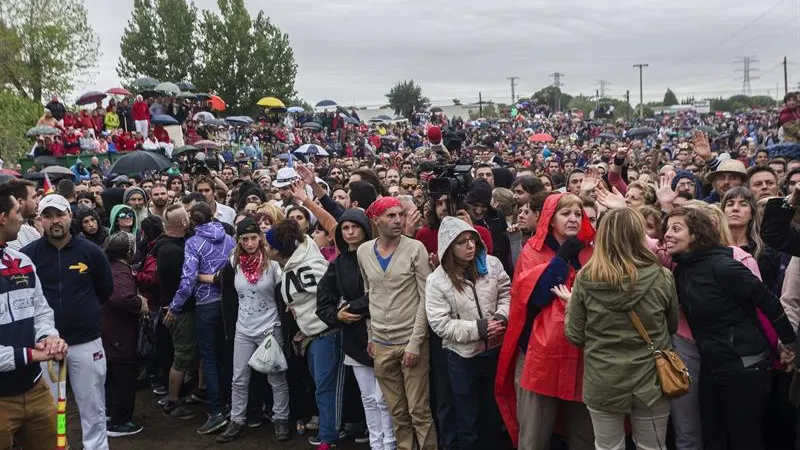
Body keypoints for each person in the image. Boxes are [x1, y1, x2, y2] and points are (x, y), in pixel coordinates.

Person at [663, 207, 796, 450]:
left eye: (676, 228)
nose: (667, 235)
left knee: (744, 438)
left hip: (744, 364)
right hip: (712, 365)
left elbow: (768, 302)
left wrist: (789, 344)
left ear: (696, 234)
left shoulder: (723, 265)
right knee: (713, 436)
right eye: (667, 229)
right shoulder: (681, 270)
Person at [557, 208, 678, 450]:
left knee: (607, 447)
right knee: (653, 447)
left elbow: (575, 335)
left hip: (604, 379)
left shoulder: (585, 279)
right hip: (651, 381)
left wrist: (570, 306)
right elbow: (672, 325)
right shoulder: (662, 277)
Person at [495, 193, 595, 450]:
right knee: (534, 437)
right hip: (539, 356)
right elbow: (535, 297)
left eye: (577, 214)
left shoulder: (591, 252)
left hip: (582, 355)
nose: (573, 219)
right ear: (551, 219)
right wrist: (563, 257)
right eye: (566, 214)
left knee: (584, 436)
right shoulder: (532, 251)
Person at [21, 194, 114, 450]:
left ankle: (96, 447)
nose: (55, 221)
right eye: (48, 216)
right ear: (39, 220)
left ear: (70, 216)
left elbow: (105, 289)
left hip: (86, 341)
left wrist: (86, 313)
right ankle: (57, 446)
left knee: (92, 404)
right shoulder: (27, 257)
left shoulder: (91, 252)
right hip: (44, 347)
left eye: (60, 214)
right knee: (49, 408)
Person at [357, 197, 438, 450]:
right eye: (391, 216)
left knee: (419, 411)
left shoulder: (415, 248)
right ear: (376, 220)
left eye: (401, 215)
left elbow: (426, 297)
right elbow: (369, 292)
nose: (398, 221)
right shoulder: (363, 251)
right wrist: (370, 334)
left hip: (410, 340)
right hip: (381, 342)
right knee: (397, 411)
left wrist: (415, 343)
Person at [425, 217, 511, 450]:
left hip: (493, 351)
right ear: (449, 247)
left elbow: (507, 293)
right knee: (467, 418)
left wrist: (502, 317)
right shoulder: (437, 280)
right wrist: (479, 329)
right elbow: (440, 323)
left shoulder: (491, 265)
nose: (470, 246)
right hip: (462, 357)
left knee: (492, 415)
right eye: (462, 242)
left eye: (472, 239)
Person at [317, 209, 397, 450]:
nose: (350, 233)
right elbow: (323, 300)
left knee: (384, 399)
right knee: (368, 398)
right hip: (353, 336)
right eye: (345, 228)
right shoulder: (339, 263)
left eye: (355, 227)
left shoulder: (379, 255)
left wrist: (351, 307)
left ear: (365, 228)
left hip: (384, 332)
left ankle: (391, 443)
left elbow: (380, 292)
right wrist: (337, 316)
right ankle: (376, 443)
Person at [0, 182, 68, 450]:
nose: (22, 216)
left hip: (37, 390)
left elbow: (41, 310)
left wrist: (49, 337)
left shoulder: (22, 261)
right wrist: (36, 354)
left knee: (59, 444)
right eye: (18, 210)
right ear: (3, 217)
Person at [215, 218, 291, 443]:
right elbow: (227, 295)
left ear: (260, 238)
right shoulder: (233, 263)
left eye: (253, 238)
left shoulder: (273, 265)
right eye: (244, 239)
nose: (249, 243)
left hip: (270, 327)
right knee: (239, 378)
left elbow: (283, 295)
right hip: (243, 328)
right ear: (238, 241)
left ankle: (281, 419)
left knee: (276, 376)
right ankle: (237, 420)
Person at [266, 219, 339, 449]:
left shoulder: (310, 265)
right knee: (320, 386)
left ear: (278, 249)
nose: (266, 249)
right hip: (313, 335)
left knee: (326, 388)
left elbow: (332, 294)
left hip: (328, 333)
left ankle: (329, 437)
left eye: (269, 245)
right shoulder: (293, 263)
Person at [165, 201, 235, 434]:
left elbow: (187, 280)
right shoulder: (228, 238)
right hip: (227, 303)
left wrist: (174, 308)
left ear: (192, 221)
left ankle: (216, 411)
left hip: (206, 304)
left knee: (209, 357)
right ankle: (229, 404)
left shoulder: (193, 243)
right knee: (226, 355)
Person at [102, 231, 148, 437]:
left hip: (112, 331)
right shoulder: (119, 271)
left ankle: (112, 414)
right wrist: (140, 303)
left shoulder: (113, 267)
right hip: (119, 333)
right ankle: (120, 421)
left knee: (114, 374)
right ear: (129, 251)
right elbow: (121, 298)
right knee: (123, 376)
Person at [155, 204, 195, 420]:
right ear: (183, 223)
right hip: (179, 312)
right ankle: (172, 401)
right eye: (187, 217)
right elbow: (186, 283)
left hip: (175, 309)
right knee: (182, 356)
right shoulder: (173, 251)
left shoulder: (167, 245)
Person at [6, 179, 41, 251]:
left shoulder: (32, 229)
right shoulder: (8, 234)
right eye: (34, 197)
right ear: (20, 202)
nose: (38, 202)